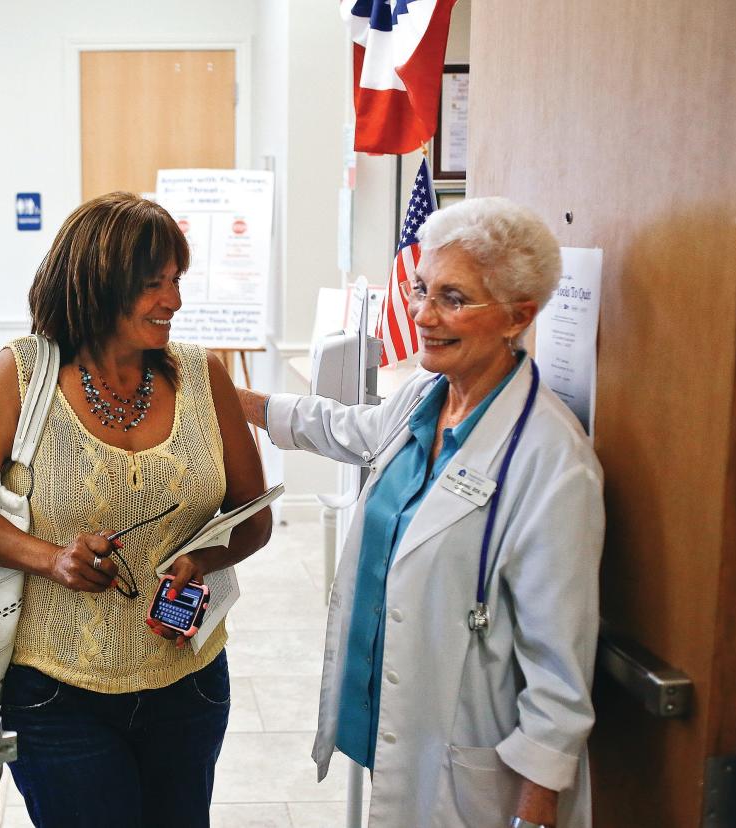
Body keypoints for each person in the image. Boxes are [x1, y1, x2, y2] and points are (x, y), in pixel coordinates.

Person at [237, 197, 603, 828]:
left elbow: (559, 679)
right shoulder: (426, 394)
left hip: (474, 766)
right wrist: (243, 401)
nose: (424, 315)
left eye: (453, 298)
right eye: (420, 290)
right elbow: (353, 429)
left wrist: (535, 815)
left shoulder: (553, 461)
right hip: (401, 720)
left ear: (519, 316)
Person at [0, 191, 272, 828]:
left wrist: (201, 558)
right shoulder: (22, 375)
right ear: (96, 284)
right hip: (58, 695)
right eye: (152, 284)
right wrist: (52, 558)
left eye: (176, 281)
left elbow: (255, 515)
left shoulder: (205, 377)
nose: (172, 299)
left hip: (189, 681)